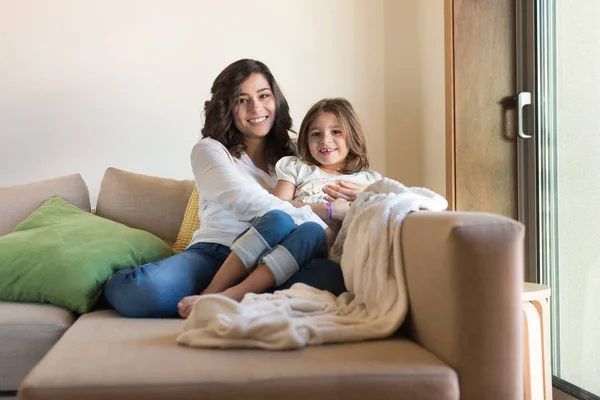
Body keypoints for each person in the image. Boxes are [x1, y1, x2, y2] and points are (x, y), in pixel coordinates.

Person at [103, 59, 363, 318]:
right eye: (242, 100)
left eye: (264, 96)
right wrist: (324, 214)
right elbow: (247, 202)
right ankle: (221, 295)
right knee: (139, 292)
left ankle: (233, 298)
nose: (256, 107)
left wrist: (363, 200)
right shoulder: (210, 150)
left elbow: (337, 180)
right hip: (217, 254)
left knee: (338, 284)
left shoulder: (296, 158)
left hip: (278, 258)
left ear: (276, 101)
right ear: (226, 107)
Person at [177, 98, 381, 317]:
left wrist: (366, 197)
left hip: (324, 255)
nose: (326, 141)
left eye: (336, 132)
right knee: (278, 219)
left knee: (317, 240)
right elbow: (280, 205)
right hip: (284, 244)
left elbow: (387, 209)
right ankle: (213, 292)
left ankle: (235, 296)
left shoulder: (369, 180)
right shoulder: (298, 167)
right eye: (316, 134)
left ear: (353, 135)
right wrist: (329, 210)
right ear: (305, 139)